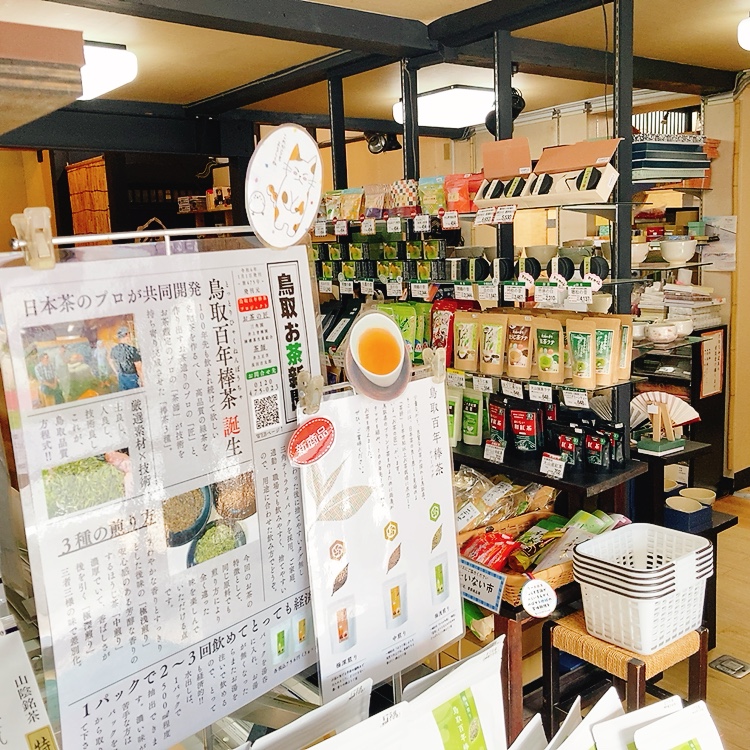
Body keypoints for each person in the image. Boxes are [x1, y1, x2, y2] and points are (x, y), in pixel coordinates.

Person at [109, 327, 143, 391]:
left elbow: (110, 361)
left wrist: (116, 372)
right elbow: (139, 368)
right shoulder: (132, 350)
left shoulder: (114, 349)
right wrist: (142, 381)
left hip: (121, 376)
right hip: (132, 377)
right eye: (129, 334)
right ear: (127, 335)